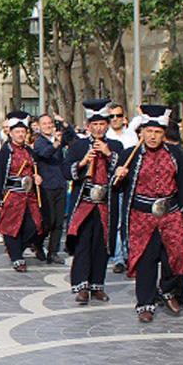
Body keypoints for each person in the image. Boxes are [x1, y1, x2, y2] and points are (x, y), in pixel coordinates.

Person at [116, 105, 183, 321]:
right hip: (141, 216)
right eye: (149, 131)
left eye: (158, 132)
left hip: (170, 213)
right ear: (141, 132)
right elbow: (114, 188)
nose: (153, 136)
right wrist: (119, 176)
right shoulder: (129, 155)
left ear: (164, 134)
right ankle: (145, 303)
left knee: (176, 255)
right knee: (146, 260)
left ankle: (168, 289)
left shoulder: (176, 155)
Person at [64, 100, 125, 302]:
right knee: (83, 243)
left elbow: (122, 171)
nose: (98, 128)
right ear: (88, 126)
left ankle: (97, 285)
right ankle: (81, 286)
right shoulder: (78, 146)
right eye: (94, 125)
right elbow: (67, 171)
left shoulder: (115, 146)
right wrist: (83, 162)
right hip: (84, 202)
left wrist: (108, 154)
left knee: (102, 245)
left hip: (106, 203)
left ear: (107, 125)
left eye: (102, 124)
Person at [0, 112, 43, 272]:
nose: (21, 135)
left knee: (34, 225)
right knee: (11, 227)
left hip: (29, 196)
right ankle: (16, 257)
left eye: (23, 132)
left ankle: (16, 249)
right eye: (17, 132)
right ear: (10, 133)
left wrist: (37, 177)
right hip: (11, 195)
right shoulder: (5, 151)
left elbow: (34, 168)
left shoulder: (29, 150)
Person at [106, 103, 138, 274]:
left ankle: (130, 254)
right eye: (112, 116)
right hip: (114, 185)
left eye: (118, 115)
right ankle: (118, 257)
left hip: (131, 185)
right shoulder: (106, 136)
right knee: (117, 222)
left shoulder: (132, 135)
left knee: (131, 220)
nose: (115, 119)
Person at [32, 113, 68, 264]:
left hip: (60, 184)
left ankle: (53, 251)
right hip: (46, 186)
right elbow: (45, 154)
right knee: (48, 221)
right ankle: (38, 244)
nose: (48, 126)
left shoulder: (57, 139)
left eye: (50, 123)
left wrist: (64, 123)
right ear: (39, 127)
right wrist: (55, 144)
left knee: (59, 222)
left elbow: (73, 138)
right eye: (44, 123)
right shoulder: (40, 142)